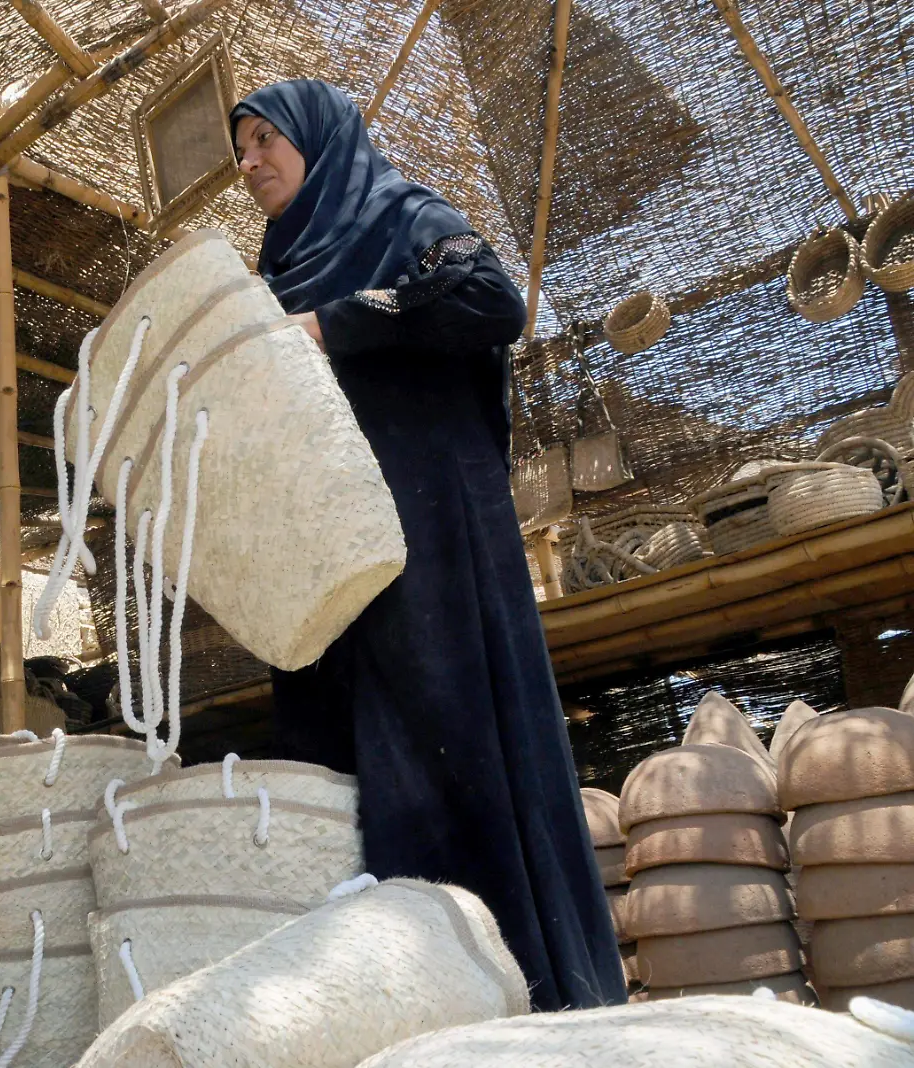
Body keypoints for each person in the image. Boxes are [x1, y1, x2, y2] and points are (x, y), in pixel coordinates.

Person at [228, 80, 625, 1010]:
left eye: (263, 141)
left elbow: (491, 299)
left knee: (450, 722)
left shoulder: (398, 215)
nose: (248, 164)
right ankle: (407, 997)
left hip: (430, 532)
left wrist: (334, 324)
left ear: (318, 141)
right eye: (239, 149)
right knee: (346, 755)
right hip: (330, 550)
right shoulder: (274, 267)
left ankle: (522, 986)